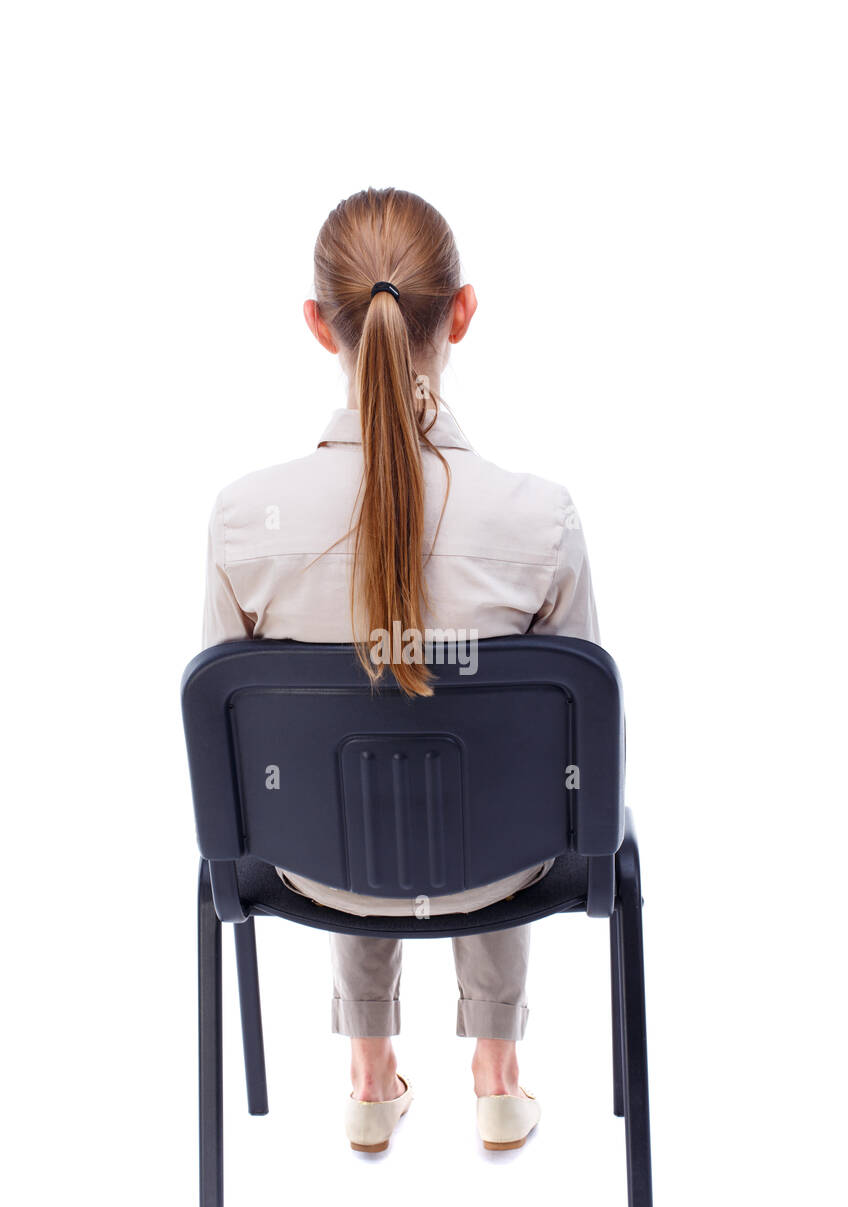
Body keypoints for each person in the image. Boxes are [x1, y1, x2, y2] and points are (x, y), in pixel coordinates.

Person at [203, 187, 599, 1154]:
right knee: (503, 784)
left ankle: (369, 1075)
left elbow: (238, 748)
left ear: (315, 324)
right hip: (503, 862)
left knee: (342, 764)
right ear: (462, 312)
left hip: (316, 863)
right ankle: (499, 1074)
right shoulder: (538, 520)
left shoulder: (244, 520)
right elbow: (577, 751)